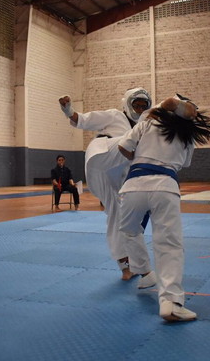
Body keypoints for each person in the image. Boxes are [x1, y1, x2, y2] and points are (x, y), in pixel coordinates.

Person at [117, 94, 210, 322]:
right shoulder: (187, 133)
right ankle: (171, 302)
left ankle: (144, 271)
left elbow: (123, 147)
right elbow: (185, 163)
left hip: (134, 185)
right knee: (169, 244)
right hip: (165, 186)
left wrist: (139, 156)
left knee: (129, 231)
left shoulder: (147, 122)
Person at [58, 88, 152, 281]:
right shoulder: (115, 116)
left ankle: (125, 266)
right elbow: (84, 120)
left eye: (144, 106)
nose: (140, 109)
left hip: (110, 177)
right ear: (128, 104)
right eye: (137, 105)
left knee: (117, 214)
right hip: (101, 155)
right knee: (137, 141)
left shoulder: (141, 128)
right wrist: (68, 110)